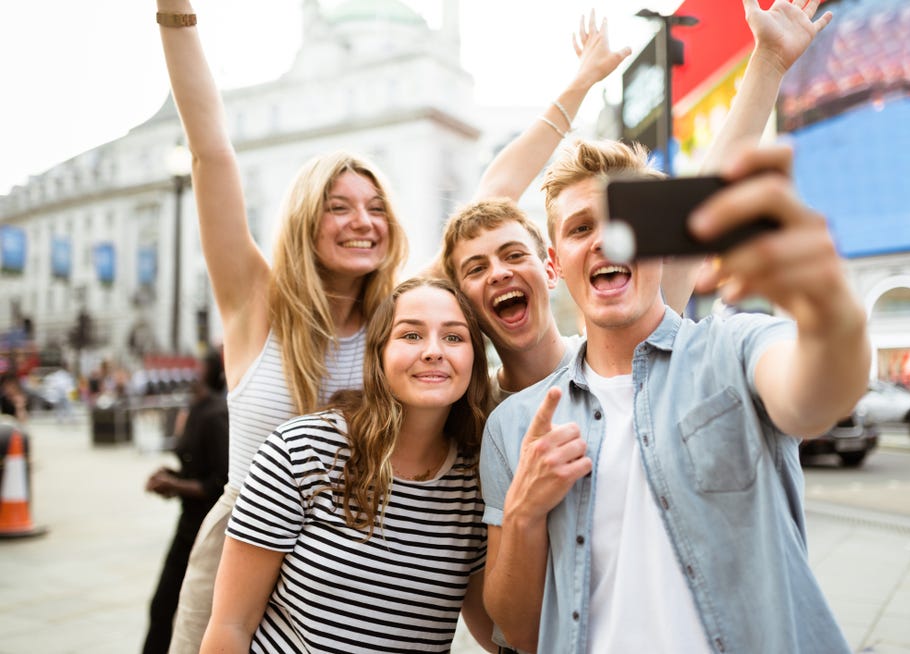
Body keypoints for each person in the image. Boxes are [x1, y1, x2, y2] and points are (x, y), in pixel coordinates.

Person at [156, 1, 632, 649]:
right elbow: (212, 153)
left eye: (377, 207)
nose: (363, 221)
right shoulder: (256, 303)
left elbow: (494, 192)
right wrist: (175, 16)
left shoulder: (399, 317)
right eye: (340, 206)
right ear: (304, 219)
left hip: (361, 538)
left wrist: (577, 85)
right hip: (250, 538)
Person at [480, 138, 870, 653]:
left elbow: (816, 397)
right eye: (580, 228)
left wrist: (829, 305)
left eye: (624, 224)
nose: (604, 242)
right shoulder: (513, 427)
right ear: (557, 262)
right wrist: (525, 512)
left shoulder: (732, 347)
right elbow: (519, 634)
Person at [441, 0, 833, 409]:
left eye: (515, 254)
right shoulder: (471, 405)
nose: (500, 273)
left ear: (549, 267)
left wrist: (768, 63)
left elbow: (705, 193)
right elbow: (485, 209)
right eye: (477, 268)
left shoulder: (631, 337)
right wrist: (580, 84)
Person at [200, 278, 493, 653]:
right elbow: (230, 626)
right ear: (379, 353)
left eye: (454, 337)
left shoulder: (476, 483)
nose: (434, 351)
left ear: (475, 358)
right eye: (411, 335)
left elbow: (500, 635)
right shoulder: (300, 450)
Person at [143, 349, 230, 654]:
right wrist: (171, 476)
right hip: (186, 524)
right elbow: (194, 466)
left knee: (175, 608)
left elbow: (221, 483)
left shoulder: (216, 414)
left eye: (195, 366)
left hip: (204, 529)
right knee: (161, 606)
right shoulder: (195, 408)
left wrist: (175, 484)